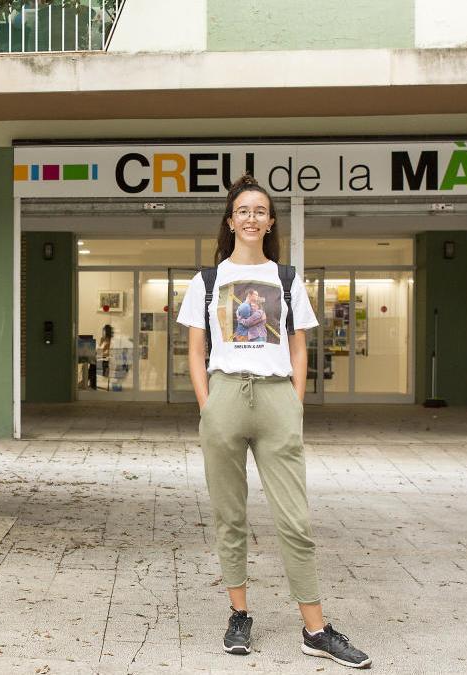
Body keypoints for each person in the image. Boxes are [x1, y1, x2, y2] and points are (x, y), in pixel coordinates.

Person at [175, 175, 372, 669]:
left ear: (270, 221)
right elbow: (195, 351)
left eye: (260, 210)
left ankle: (316, 629)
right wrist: (207, 403)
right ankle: (239, 615)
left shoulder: (286, 279)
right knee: (230, 516)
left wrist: (294, 400)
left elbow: (300, 344)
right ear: (230, 220)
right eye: (243, 210)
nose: (251, 217)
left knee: (295, 520)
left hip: (275, 398)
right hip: (224, 395)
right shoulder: (207, 280)